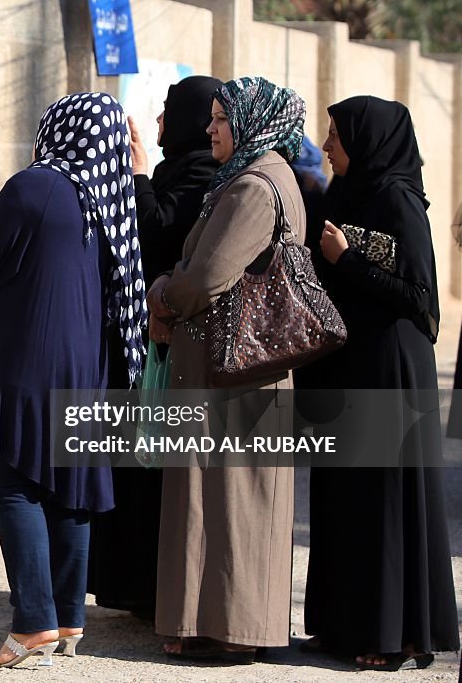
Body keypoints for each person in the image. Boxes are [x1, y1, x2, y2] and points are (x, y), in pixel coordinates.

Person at [0, 92, 146, 668]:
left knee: (14, 483)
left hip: (23, 364)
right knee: (69, 492)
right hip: (87, 367)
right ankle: (66, 618)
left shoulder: (38, 187)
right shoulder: (108, 200)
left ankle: (33, 621)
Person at [146, 76, 306, 662]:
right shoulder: (257, 176)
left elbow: (208, 276)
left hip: (233, 372)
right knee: (223, 496)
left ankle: (233, 628)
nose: (211, 128)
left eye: (220, 118)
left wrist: (163, 292)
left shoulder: (254, 187)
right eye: (209, 118)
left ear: (252, 120)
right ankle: (211, 622)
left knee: (233, 500)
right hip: (229, 370)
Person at [299, 96, 459, 671]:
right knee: (344, 499)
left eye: (336, 136)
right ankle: (344, 623)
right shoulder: (344, 194)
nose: (326, 146)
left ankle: (395, 635)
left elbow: (422, 302)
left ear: (366, 142)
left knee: (385, 503)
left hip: (391, 368)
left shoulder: (398, 200)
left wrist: (347, 262)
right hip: (349, 365)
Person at [88, 75, 220, 621]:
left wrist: (139, 175)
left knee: (153, 470)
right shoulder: (181, 172)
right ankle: (131, 586)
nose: (160, 124)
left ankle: (149, 587)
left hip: (173, 345)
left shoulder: (204, 177)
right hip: (147, 342)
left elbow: (156, 235)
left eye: (167, 114)